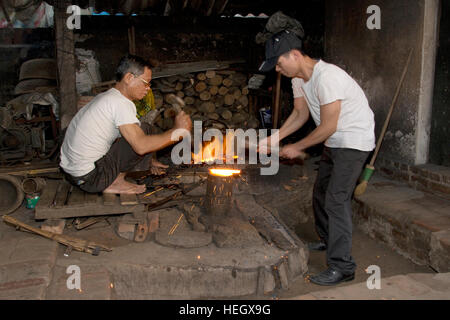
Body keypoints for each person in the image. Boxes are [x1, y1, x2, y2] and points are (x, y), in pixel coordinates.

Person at [258, 30, 375, 286]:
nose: (278, 69)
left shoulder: (328, 77)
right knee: (321, 193)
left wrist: (297, 146)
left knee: (336, 199)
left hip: (354, 140)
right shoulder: (298, 78)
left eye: (279, 63)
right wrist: (274, 139)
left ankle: (343, 266)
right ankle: (328, 237)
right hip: (336, 140)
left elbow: (328, 125)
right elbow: (300, 114)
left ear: (296, 55)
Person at [60, 54, 192, 194]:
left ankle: (117, 176)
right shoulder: (121, 103)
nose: (148, 88)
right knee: (144, 132)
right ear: (129, 78)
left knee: (139, 130)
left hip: (73, 175)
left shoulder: (107, 97)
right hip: (92, 179)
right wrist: (177, 131)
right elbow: (140, 146)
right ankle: (116, 182)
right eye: (145, 83)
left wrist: (149, 161)